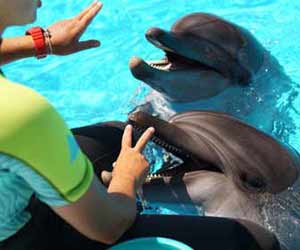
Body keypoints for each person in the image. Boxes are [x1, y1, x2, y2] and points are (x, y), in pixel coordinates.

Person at [0, 1, 280, 250]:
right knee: (256, 241)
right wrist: (127, 180)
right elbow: (108, 227)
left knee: (120, 134)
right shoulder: (26, 114)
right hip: (24, 238)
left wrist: (41, 43)